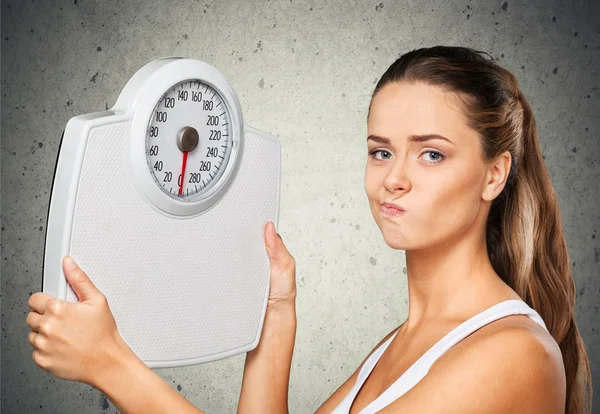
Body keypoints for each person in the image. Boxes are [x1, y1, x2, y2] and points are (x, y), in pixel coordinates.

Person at [26, 46, 592, 413]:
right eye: (380, 151)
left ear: (495, 173)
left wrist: (112, 364)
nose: (393, 179)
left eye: (432, 156)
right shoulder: (402, 344)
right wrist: (276, 317)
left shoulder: (513, 355)